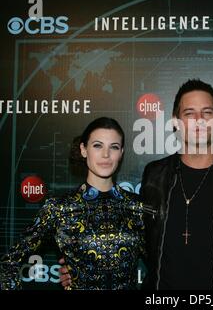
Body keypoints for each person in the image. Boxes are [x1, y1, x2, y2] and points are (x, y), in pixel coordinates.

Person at [0, 117, 145, 290]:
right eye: (97, 145)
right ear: (83, 150)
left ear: (121, 152)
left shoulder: (137, 207)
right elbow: (9, 263)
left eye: (113, 147)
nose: (106, 155)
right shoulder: (59, 208)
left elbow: (163, 263)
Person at [141, 79, 213, 290]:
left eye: (207, 112)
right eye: (189, 113)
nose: (199, 120)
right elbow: (134, 235)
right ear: (175, 121)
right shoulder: (154, 174)